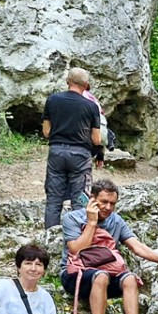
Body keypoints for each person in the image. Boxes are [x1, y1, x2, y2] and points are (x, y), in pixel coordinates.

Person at [62, 181, 158, 314]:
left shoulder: (116, 220)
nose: (108, 207)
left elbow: (137, 246)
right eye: (104, 202)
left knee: (130, 278)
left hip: (107, 275)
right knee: (101, 276)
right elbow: (76, 249)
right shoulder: (72, 218)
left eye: (112, 203)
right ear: (92, 199)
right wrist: (91, 222)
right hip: (76, 276)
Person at [41, 67, 103, 229]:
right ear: (86, 85)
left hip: (56, 152)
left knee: (54, 200)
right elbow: (96, 139)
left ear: (68, 81)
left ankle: (50, 237)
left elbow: (47, 132)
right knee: (80, 200)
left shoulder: (53, 100)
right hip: (80, 156)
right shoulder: (91, 106)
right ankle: (78, 237)